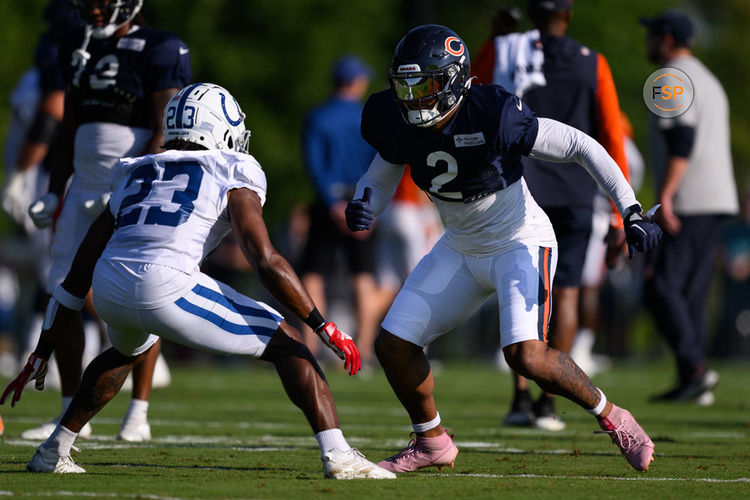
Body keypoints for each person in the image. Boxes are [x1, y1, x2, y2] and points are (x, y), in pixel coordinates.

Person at [0, 83, 395, 480]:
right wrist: (321, 324)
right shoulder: (234, 168)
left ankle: (54, 450)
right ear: (221, 130)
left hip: (109, 283)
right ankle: (339, 456)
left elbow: (79, 269)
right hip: (165, 282)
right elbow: (266, 259)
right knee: (290, 343)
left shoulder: (136, 168)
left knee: (124, 352)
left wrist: (43, 347)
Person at [345, 24, 661, 473]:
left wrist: (630, 209)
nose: (414, 97)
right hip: (457, 247)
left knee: (526, 355)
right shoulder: (394, 119)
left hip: (518, 240)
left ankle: (614, 417)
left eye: (426, 85)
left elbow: (579, 144)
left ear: (454, 80)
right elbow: (382, 172)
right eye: (406, 84)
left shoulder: (493, 112)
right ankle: (432, 441)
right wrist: (365, 204)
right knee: (394, 345)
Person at [20, 0, 191, 442]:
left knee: (138, 288)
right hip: (83, 189)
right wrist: (55, 190)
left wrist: (127, 186)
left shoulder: (160, 47)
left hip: (132, 188)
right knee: (63, 290)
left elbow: (165, 131)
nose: (92, 10)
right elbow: (70, 127)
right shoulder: (78, 47)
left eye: (101, 1)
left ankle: (139, 412)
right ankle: (70, 410)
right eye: (86, 3)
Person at [472, 0, 631, 430]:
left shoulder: (509, 49)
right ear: (569, 14)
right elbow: (612, 135)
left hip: (522, 190)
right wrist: (622, 213)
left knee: (518, 289)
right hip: (576, 192)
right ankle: (547, 402)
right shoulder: (592, 63)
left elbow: (472, 86)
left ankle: (520, 398)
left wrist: (495, 36)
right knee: (566, 295)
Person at [641, 11, 739, 404]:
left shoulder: (669, 78)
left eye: (651, 35)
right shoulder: (708, 78)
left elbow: (681, 139)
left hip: (688, 200)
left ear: (666, 39)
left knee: (659, 287)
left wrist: (665, 195)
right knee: (692, 293)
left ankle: (695, 369)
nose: (647, 42)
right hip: (717, 197)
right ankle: (693, 380)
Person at [299, 55, 380, 365]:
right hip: (361, 200)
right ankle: (365, 349)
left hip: (326, 202)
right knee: (363, 275)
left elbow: (314, 164)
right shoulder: (365, 116)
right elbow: (378, 164)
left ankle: (312, 345)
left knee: (313, 273)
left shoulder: (318, 116)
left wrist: (332, 203)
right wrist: (371, 205)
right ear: (355, 81)